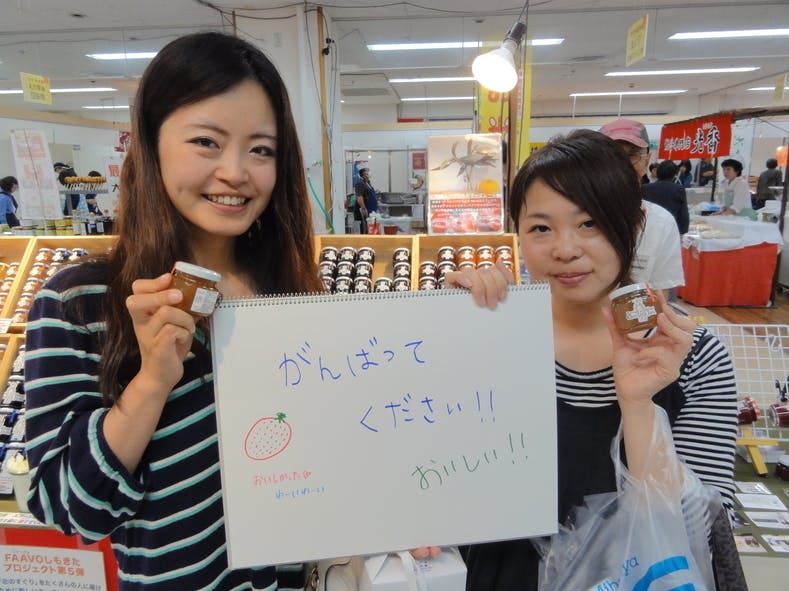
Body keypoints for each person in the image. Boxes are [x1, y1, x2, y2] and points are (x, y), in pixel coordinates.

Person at [24, 31, 321, 591]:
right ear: (150, 144)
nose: (236, 172)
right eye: (207, 142)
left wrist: (468, 310)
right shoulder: (80, 303)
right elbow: (70, 511)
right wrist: (152, 381)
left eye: (261, 149)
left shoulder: (293, 292)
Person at [445, 130, 738, 591]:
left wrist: (638, 406)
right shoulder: (495, 332)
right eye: (540, 228)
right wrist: (441, 334)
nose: (565, 249)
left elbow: (696, 532)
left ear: (634, 227)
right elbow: (438, 483)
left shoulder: (692, 354)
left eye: (590, 224)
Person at [598, 118, 685, 294]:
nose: (622, 165)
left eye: (631, 156)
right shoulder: (576, 215)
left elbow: (661, 293)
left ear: (646, 161)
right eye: (612, 156)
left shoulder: (661, 223)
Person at [642, 160, 690, 235]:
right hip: (670, 230)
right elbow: (683, 215)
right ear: (674, 175)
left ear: (658, 172)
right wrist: (682, 232)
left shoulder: (646, 188)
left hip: (649, 229)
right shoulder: (679, 189)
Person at [354, 167, 379, 234]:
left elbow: (368, 193)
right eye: (367, 172)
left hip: (370, 210)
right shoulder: (360, 184)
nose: (369, 173)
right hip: (364, 210)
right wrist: (363, 208)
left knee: (369, 227)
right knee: (364, 228)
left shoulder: (367, 183)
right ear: (364, 175)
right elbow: (359, 197)